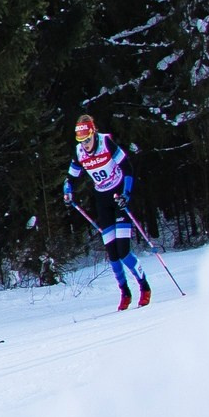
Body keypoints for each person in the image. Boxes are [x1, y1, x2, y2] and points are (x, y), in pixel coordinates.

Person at [65, 113, 151, 310]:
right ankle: (125, 292)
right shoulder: (79, 152)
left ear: (93, 134)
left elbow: (127, 168)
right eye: (81, 141)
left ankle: (144, 286)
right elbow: (70, 178)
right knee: (112, 254)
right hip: (102, 200)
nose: (85, 144)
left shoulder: (106, 142)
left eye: (87, 140)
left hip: (119, 195)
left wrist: (126, 195)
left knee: (123, 251)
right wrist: (67, 192)